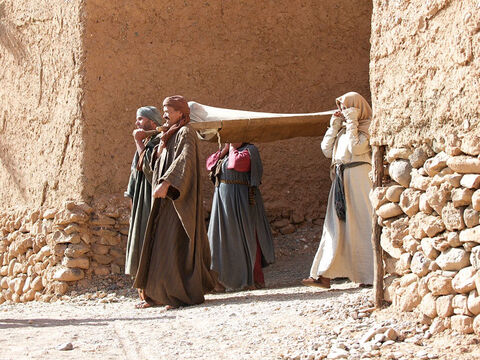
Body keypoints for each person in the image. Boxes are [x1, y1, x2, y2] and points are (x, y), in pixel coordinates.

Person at [133, 95, 215, 309]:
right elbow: (154, 169)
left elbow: (184, 160)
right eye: (163, 109)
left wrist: (167, 183)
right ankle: (159, 295)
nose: (165, 113)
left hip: (178, 199)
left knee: (175, 245)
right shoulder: (168, 136)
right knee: (160, 246)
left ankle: (181, 295)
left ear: (181, 113)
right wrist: (157, 152)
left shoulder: (186, 133)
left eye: (169, 109)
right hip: (164, 202)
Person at [302, 92, 374, 288]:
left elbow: (356, 148)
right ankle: (323, 275)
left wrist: (353, 122)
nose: (343, 111)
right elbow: (326, 150)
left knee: (361, 224)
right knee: (334, 226)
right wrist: (334, 126)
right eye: (341, 108)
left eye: (346, 107)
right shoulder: (343, 130)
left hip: (359, 178)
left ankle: (368, 275)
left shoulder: (367, 126)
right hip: (341, 180)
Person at [207, 142, 275, 291]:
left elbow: (236, 164)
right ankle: (219, 281)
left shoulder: (249, 150)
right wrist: (225, 149)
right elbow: (209, 164)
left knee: (246, 239)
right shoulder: (224, 152)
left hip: (242, 201)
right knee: (220, 239)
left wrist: (232, 148)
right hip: (223, 202)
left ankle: (250, 280)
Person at [124, 106, 161, 278]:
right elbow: (134, 173)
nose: (136, 123)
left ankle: (153, 289)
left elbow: (150, 169)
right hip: (140, 198)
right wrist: (131, 197)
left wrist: (139, 143)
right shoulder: (146, 143)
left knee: (150, 240)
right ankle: (143, 292)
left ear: (152, 122)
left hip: (150, 197)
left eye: (140, 119)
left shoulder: (159, 142)